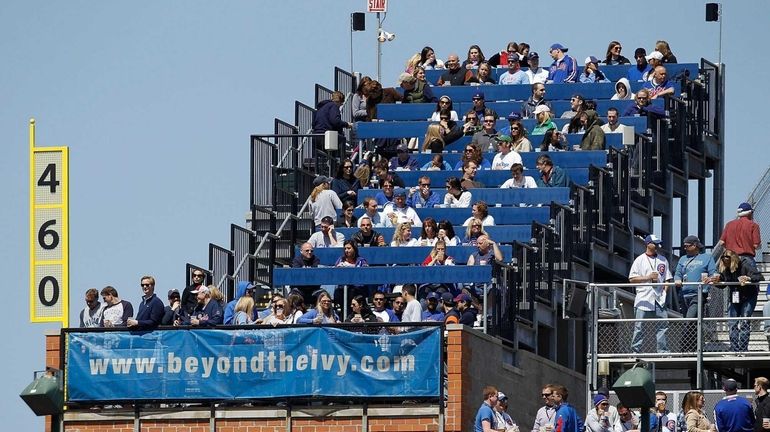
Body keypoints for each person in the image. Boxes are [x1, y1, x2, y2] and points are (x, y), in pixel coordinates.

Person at [628, 234, 673, 353]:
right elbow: (632, 279)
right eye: (655, 243)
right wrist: (647, 277)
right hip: (644, 297)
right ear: (648, 244)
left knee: (663, 325)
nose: (658, 245)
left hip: (659, 298)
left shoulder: (663, 259)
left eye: (658, 243)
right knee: (639, 326)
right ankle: (635, 351)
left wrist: (665, 291)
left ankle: (662, 351)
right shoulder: (640, 259)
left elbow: (668, 278)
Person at [675, 235, 718, 352]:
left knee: (690, 319)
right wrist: (677, 279)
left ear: (695, 245)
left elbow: (713, 273)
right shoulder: (682, 259)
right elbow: (678, 273)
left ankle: (684, 347)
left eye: (687, 246)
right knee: (691, 322)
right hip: (684, 294)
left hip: (698, 294)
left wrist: (711, 279)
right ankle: (694, 348)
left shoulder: (707, 258)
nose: (685, 248)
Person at [716, 249, 764, 352]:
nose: (725, 261)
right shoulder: (726, 269)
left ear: (733, 259)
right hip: (734, 297)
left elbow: (759, 276)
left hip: (748, 296)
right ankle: (734, 348)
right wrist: (716, 281)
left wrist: (748, 278)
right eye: (723, 259)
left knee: (745, 321)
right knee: (732, 322)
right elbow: (722, 285)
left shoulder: (745, 265)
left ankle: (743, 348)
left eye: (727, 259)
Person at [719, 202, 762, 270]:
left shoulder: (729, 224)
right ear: (749, 213)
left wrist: (730, 248)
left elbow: (721, 242)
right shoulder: (753, 225)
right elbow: (756, 245)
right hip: (747, 258)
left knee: (731, 279)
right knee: (750, 278)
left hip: (731, 259)